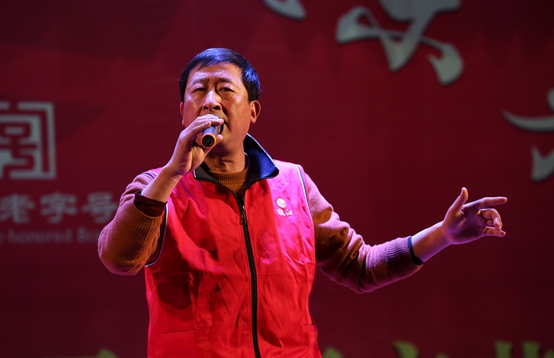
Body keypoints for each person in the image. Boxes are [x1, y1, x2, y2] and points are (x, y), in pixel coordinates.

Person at [98, 47, 507, 358]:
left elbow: (360, 266)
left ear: (253, 111)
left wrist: (443, 235)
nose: (211, 101)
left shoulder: (292, 183)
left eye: (225, 89)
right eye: (199, 91)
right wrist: (173, 172)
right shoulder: (156, 187)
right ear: (183, 113)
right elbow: (118, 259)